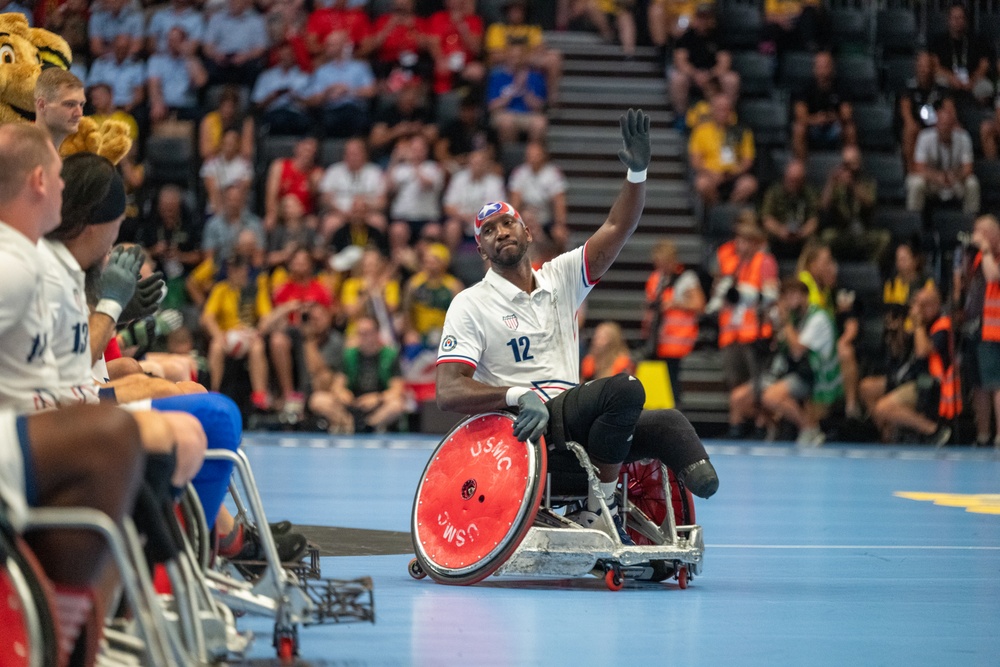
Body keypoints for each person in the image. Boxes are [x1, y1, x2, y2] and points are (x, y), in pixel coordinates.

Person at [435, 110, 718, 549]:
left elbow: (618, 226)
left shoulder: (560, 277)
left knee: (667, 423)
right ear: (482, 251)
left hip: (571, 420)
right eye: (488, 231)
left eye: (507, 223)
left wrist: (637, 172)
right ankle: (595, 511)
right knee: (623, 389)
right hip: (523, 435)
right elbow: (448, 391)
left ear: (527, 231)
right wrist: (514, 394)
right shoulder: (469, 303)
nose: (500, 232)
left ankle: (661, 509)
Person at [728, 277, 841, 446]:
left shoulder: (818, 318)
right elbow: (774, 347)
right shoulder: (793, 317)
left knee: (771, 397)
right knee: (738, 399)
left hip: (814, 375)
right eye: (786, 296)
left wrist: (785, 321)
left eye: (794, 295)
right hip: (786, 371)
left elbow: (797, 350)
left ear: (805, 296)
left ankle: (809, 429)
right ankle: (771, 428)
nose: (789, 300)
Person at [870, 285, 956, 445]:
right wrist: (895, 330)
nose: (920, 309)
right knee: (867, 388)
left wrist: (917, 324)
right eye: (917, 304)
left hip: (930, 384)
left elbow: (922, 351)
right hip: (910, 376)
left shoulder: (942, 325)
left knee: (882, 408)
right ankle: (889, 435)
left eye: (925, 305)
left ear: (937, 305)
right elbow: (898, 353)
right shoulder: (919, 323)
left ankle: (933, 431)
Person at [705, 216, 777, 392]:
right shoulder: (733, 264)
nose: (739, 245)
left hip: (754, 335)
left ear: (755, 243)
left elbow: (772, 296)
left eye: (745, 241)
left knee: (757, 388)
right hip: (731, 334)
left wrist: (747, 293)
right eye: (738, 240)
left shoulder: (764, 262)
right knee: (735, 386)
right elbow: (721, 295)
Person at [308, 315, 408, 433]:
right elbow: (337, 385)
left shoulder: (390, 355)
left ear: (376, 334)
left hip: (376, 405)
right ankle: (346, 422)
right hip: (352, 404)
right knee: (317, 400)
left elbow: (397, 389)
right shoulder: (349, 355)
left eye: (366, 333)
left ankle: (369, 425)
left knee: (396, 405)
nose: (362, 337)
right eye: (359, 333)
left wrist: (377, 398)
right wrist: (343, 394)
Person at [955, 214, 1000, 447]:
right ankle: (983, 436)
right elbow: (964, 284)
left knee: (996, 383)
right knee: (978, 384)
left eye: (981, 232)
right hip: (975, 326)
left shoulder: (993, 255)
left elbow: (994, 276)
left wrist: (987, 251)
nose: (976, 237)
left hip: (995, 328)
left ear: (993, 234)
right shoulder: (976, 256)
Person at [641, 239, 704, 401]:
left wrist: (677, 304)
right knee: (657, 391)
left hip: (679, 342)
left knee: (674, 388)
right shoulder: (655, 279)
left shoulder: (686, 278)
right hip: (657, 342)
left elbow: (699, 304)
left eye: (664, 262)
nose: (661, 267)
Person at [906, 96, 980, 215]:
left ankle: (970, 220)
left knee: (972, 183)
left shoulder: (963, 137)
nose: (944, 129)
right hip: (933, 181)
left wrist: (954, 176)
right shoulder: (925, 137)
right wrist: (937, 177)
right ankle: (914, 221)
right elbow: (918, 167)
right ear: (936, 125)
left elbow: (968, 168)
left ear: (953, 126)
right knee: (916, 183)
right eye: (942, 125)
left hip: (954, 179)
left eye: (948, 126)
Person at [484, 0, 562, 107]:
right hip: (505, 66)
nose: (516, 13)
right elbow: (494, 55)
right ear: (507, 11)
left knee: (554, 56)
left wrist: (516, 55)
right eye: (513, 10)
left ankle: (551, 99)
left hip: (527, 64)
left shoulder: (532, 29)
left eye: (519, 10)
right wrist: (518, 54)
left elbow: (539, 50)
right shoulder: (497, 29)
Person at [668, 4, 738, 120]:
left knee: (731, 79)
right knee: (677, 79)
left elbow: (724, 62)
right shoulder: (686, 36)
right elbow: (680, 61)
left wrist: (709, 74)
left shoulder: (719, 36)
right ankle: (681, 117)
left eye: (706, 18)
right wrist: (696, 74)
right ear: (695, 18)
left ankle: (728, 116)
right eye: (700, 17)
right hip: (692, 76)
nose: (703, 21)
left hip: (713, 76)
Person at [304, 30, 378, 138]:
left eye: (331, 44)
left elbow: (372, 92)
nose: (327, 47)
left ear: (343, 45)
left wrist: (348, 90)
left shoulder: (360, 67)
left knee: (360, 120)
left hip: (355, 110)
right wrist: (327, 92)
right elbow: (313, 100)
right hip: (331, 111)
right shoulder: (322, 71)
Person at [688, 93, 757, 207]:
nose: (723, 113)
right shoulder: (700, 131)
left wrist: (734, 172)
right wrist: (711, 173)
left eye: (726, 109)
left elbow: (747, 160)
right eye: (719, 109)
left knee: (749, 184)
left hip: (733, 175)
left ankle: (730, 209)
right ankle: (716, 209)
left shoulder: (741, 131)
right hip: (710, 175)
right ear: (712, 110)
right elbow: (695, 161)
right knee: (701, 184)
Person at [819, 145, 885, 262]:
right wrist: (831, 182)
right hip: (842, 230)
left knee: (884, 238)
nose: (849, 168)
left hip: (863, 230)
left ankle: (870, 267)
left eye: (852, 163)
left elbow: (869, 202)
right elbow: (824, 206)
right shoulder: (837, 184)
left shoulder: (867, 182)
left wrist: (852, 185)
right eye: (846, 164)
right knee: (826, 237)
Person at [508, 141, 569, 261]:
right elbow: (515, 203)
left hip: (546, 220)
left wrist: (560, 224)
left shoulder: (553, 174)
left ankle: (559, 261)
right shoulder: (520, 173)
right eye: (530, 155)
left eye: (536, 154)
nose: (533, 158)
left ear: (543, 155)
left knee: (560, 235)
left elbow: (559, 202)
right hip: (526, 219)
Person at [791, 51, 856, 160]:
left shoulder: (842, 87)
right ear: (814, 68)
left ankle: (848, 164)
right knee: (798, 128)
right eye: (819, 66)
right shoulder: (805, 88)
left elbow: (847, 115)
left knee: (849, 128)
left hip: (834, 126)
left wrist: (830, 118)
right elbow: (800, 116)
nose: (822, 70)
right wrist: (816, 119)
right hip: (813, 127)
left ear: (832, 67)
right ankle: (800, 164)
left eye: (826, 66)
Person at [319, 137, 388, 236]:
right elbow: (325, 199)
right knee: (330, 223)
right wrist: (342, 212)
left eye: (356, 154)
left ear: (364, 154)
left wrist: (365, 209)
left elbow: (382, 202)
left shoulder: (375, 172)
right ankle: (326, 251)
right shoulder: (333, 171)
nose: (352, 157)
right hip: (340, 214)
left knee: (378, 222)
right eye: (349, 153)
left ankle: (375, 250)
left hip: (368, 214)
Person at [442, 147, 506, 249]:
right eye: (474, 163)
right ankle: (451, 260)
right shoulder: (458, 179)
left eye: (480, 163)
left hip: (486, 221)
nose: (477, 166)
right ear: (468, 164)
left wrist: (480, 218)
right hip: (462, 220)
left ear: (486, 164)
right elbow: (448, 207)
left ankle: (490, 261)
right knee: (452, 227)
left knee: (494, 227)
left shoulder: (495, 182)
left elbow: (500, 209)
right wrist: (464, 217)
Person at [929, 2, 993, 103]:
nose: (957, 21)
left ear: (966, 20)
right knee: (939, 84)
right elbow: (935, 66)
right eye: (954, 18)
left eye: (960, 18)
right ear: (948, 20)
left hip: (973, 79)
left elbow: (984, 65)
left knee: (986, 88)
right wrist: (951, 78)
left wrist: (972, 80)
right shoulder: (938, 41)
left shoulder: (978, 40)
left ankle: (978, 114)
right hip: (948, 78)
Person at [401, 242, 462, 347]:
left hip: (446, 336)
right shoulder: (414, 284)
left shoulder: (454, 286)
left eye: (434, 261)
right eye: (427, 261)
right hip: (419, 336)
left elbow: (460, 315)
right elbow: (406, 310)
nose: (430, 265)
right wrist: (410, 332)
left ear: (444, 263)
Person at [485, 44, 548, 144]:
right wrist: (513, 90)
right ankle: (511, 156)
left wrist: (525, 89)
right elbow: (492, 106)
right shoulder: (498, 77)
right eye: (513, 57)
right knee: (507, 122)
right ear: (507, 57)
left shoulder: (535, 77)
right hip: (505, 114)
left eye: (519, 57)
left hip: (528, 115)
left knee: (540, 123)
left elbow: (539, 107)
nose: (516, 60)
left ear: (525, 58)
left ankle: (533, 155)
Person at [147, 26, 208, 125]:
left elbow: (201, 82)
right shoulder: (157, 60)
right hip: (164, 104)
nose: (172, 43)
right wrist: (157, 102)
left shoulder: (191, 60)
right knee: (145, 114)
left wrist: (188, 56)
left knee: (202, 116)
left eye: (176, 40)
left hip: (186, 105)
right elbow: (153, 85)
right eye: (170, 40)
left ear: (184, 41)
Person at [760, 158, 819, 260]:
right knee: (763, 240)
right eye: (790, 179)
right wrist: (781, 231)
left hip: (801, 236)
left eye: (796, 180)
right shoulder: (774, 192)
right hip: (779, 235)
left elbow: (814, 219)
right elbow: (767, 218)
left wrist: (802, 233)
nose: (792, 183)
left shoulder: (809, 194)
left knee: (815, 242)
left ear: (802, 180)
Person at [251, 40, 314, 136]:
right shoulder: (266, 76)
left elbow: (311, 103)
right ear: (278, 55)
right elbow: (257, 105)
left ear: (294, 55)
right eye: (283, 54)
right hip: (274, 112)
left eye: (288, 54)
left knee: (303, 121)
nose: (285, 58)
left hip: (296, 113)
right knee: (276, 120)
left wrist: (297, 97)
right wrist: (271, 97)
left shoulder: (303, 77)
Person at [203, 0, 270, 85]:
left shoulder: (256, 21)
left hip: (245, 59)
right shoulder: (217, 19)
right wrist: (216, 55)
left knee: (255, 67)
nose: (234, 3)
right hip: (221, 58)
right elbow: (207, 46)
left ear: (245, 3)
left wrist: (246, 56)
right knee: (208, 67)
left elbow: (261, 47)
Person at [263, 136, 321, 231]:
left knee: (313, 223)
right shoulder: (280, 166)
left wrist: (311, 181)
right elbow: (271, 196)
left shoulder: (316, 173)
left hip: (303, 216)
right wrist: (272, 213)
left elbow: (315, 201)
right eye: (305, 149)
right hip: (281, 212)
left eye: (311, 151)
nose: (307, 154)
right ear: (297, 148)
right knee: (269, 221)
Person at [900, 51, 946, 171]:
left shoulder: (942, 89)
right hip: (918, 128)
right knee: (909, 131)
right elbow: (906, 112)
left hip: (937, 127)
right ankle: (911, 172)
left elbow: (948, 109)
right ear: (916, 68)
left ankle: (947, 174)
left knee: (954, 129)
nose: (925, 70)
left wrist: (941, 126)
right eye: (921, 66)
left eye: (927, 66)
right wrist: (912, 125)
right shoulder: (908, 88)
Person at [202, 185, 265, 261]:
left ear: (243, 200)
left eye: (236, 199)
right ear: (223, 200)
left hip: (247, 268)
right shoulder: (213, 225)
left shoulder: (255, 224)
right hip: (219, 269)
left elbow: (259, 258)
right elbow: (208, 258)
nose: (233, 203)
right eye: (230, 199)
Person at [200, 130, 254, 215]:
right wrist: (220, 215)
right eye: (226, 143)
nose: (229, 146)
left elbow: (243, 190)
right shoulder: (210, 164)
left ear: (238, 145)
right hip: (215, 210)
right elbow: (211, 190)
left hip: (239, 211)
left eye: (232, 143)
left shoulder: (245, 165)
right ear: (221, 144)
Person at [33, 68, 86, 153]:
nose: (79, 113)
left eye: (81, 105)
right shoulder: (21, 152)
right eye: (70, 104)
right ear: (42, 105)